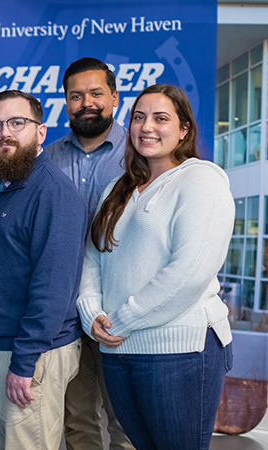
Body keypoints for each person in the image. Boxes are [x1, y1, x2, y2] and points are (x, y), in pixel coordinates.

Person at [77, 84, 234, 450]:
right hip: (118, 350)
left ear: (184, 130)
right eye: (138, 117)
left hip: (178, 352)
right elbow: (92, 259)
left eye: (161, 118)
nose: (147, 127)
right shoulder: (117, 188)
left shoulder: (202, 180)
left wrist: (122, 320)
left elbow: (190, 271)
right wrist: (91, 312)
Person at [0, 90, 85, 450]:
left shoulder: (52, 192)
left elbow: (53, 287)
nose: (5, 132)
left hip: (33, 354)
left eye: (17, 123)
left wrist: (22, 362)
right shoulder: (5, 186)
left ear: (40, 132)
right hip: (0, 348)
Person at [44, 57, 132, 450]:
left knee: (127, 422)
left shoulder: (139, 153)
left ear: (114, 97)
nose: (86, 103)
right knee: (77, 422)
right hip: (66, 308)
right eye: (75, 96)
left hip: (122, 308)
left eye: (96, 93)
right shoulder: (46, 158)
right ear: (65, 102)